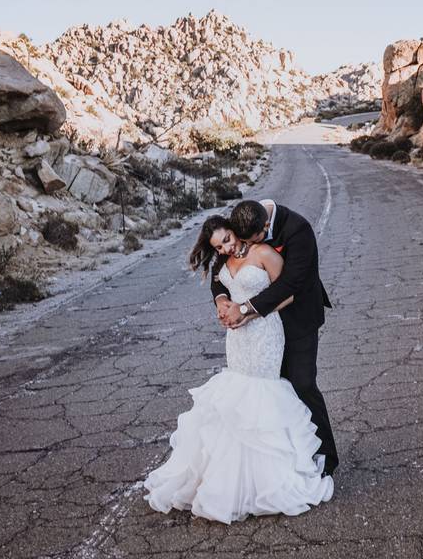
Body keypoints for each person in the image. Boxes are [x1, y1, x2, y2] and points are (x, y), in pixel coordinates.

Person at [142, 215, 333, 524]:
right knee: (237, 396)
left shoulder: (264, 253)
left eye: (228, 240)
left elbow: (287, 294)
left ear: (236, 230)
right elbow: (220, 284)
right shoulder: (222, 261)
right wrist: (222, 303)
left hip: (265, 331)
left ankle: (271, 478)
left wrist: (248, 313)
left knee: (262, 393)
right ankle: (231, 480)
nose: (226, 248)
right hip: (237, 337)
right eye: (219, 246)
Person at [212, 199, 339, 477]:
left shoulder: (298, 230)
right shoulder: (242, 220)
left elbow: (289, 284)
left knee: (303, 383)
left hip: (297, 317)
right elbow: (220, 264)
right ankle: (283, 458)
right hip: (261, 331)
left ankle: (327, 456)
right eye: (240, 240)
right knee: (271, 391)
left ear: (266, 226)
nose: (244, 247)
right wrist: (221, 299)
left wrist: (244, 309)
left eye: (253, 240)